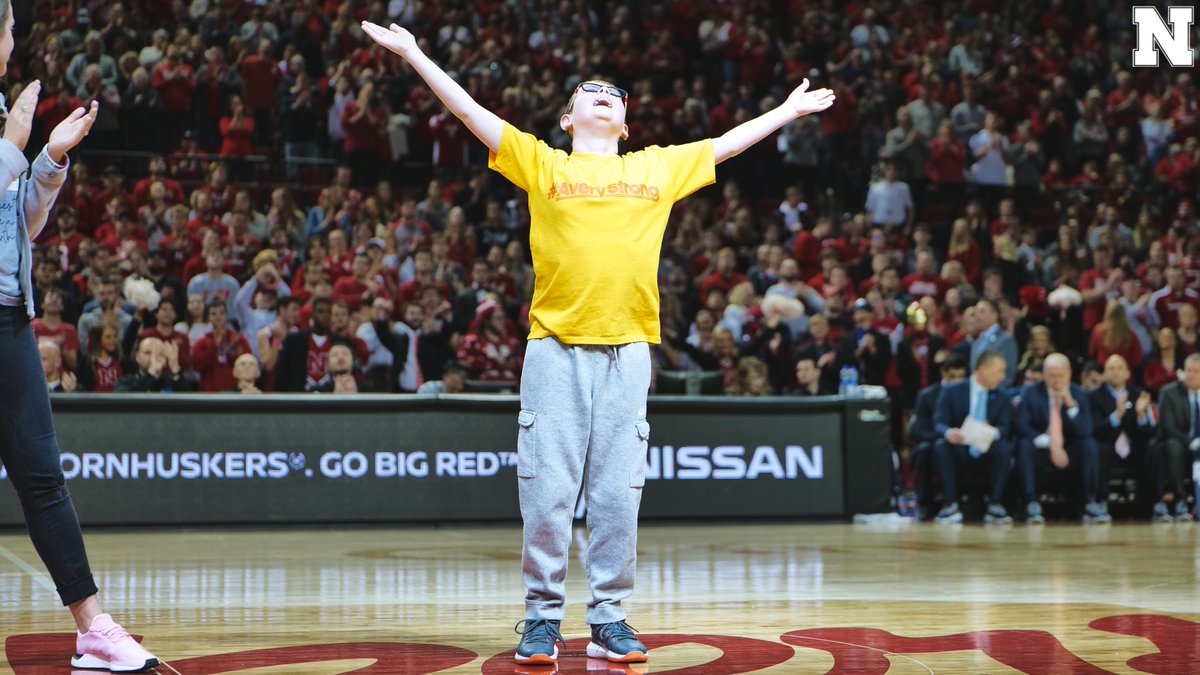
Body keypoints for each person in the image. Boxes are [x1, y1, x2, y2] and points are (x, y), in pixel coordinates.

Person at [361, 19, 835, 667]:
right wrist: (415, 53)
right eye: (592, 90)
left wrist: (784, 111)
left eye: (616, 93)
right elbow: (472, 112)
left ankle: (609, 615)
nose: (606, 94)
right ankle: (542, 616)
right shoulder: (544, 163)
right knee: (548, 489)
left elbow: (726, 144)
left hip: (629, 351)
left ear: (626, 124)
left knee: (618, 492)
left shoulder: (656, 168)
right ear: (568, 117)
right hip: (554, 348)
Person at [0, 2, 158, 668]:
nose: (12, 42)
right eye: (7, 28)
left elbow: (21, 223)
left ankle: (92, 628)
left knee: (44, 479)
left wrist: (48, 160)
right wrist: (13, 141)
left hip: (9, 312)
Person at [1015, 353, 1107, 525]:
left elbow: (1086, 430)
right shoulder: (1030, 393)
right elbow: (1021, 425)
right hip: (1042, 447)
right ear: (1044, 374)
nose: (1057, 380)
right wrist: (1046, 442)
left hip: (1070, 449)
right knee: (1024, 445)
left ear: (1069, 373)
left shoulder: (1080, 395)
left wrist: (1071, 405)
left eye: (1061, 376)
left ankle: (1090, 501)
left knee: (1090, 445)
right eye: (1052, 376)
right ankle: (1031, 502)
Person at [932, 351, 1015, 524]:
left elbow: (1005, 428)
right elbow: (939, 423)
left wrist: (991, 431)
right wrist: (949, 432)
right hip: (960, 447)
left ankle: (995, 504)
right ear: (983, 370)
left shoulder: (1003, 396)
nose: (1002, 376)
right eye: (999, 371)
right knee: (941, 446)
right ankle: (950, 505)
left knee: (1005, 448)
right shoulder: (952, 391)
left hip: (987, 448)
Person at [1088, 355, 1156, 520]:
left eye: (1120, 368)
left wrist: (1141, 414)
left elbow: (1147, 432)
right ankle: (1101, 502)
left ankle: (1151, 505)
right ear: (1104, 373)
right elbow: (1094, 429)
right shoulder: (1094, 396)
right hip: (1108, 447)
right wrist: (1117, 415)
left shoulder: (1138, 394)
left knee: (1152, 448)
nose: (1116, 372)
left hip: (1132, 448)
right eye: (1111, 368)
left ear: (1127, 373)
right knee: (1100, 449)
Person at [907, 353, 968, 518]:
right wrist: (944, 435)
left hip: (962, 445)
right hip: (936, 443)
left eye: (961, 377)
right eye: (952, 376)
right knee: (925, 450)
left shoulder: (970, 395)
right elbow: (917, 430)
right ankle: (924, 504)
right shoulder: (927, 396)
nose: (956, 381)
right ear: (943, 373)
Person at [1153, 353, 1200, 522]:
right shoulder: (1169, 393)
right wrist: (1192, 442)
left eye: (1196, 371)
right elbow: (1168, 427)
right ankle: (1180, 501)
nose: (1191, 375)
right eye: (1188, 370)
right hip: (1177, 443)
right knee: (1175, 446)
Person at [114, 335, 189, 392]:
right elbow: (125, 403)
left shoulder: (171, 381)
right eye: (148, 353)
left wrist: (175, 368)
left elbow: (189, 404)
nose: (153, 358)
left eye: (160, 353)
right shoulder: (126, 381)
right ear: (137, 356)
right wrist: (151, 373)